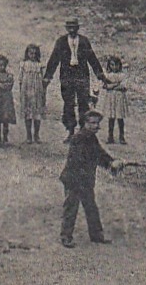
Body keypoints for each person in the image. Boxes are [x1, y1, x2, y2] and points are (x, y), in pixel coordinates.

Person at [60, 110, 123, 247]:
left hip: (85, 180)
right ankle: (66, 237)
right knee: (71, 208)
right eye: (92, 123)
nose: (95, 126)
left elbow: (100, 153)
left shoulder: (91, 137)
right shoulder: (79, 138)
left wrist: (111, 162)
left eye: (97, 123)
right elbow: (84, 159)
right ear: (85, 123)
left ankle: (96, 235)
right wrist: (110, 164)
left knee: (91, 207)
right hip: (74, 180)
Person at [44, 18, 108, 139]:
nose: (72, 29)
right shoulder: (61, 42)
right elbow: (54, 59)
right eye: (69, 27)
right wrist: (48, 77)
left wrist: (100, 75)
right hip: (67, 76)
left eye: (74, 27)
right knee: (68, 103)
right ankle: (70, 131)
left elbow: (92, 58)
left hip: (81, 75)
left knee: (83, 102)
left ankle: (83, 131)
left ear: (78, 28)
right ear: (66, 28)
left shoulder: (84, 41)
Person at [19, 44, 48, 144]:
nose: (33, 55)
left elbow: (44, 80)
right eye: (31, 53)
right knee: (28, 114)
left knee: (37, 114)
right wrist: (21, 93)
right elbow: (20, 79)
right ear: (27, 53)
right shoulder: (23, 64)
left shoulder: (40, 65)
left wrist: (44, 92)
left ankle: (36, 135)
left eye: (35, 53)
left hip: (37, 91)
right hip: (26, 91)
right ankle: (28, 135)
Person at [100, 55, 130, 144]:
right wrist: (115, 85)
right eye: (112, 65)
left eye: (116, 65)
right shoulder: (108, 75)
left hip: (119, 98)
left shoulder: (122, 75)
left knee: (120, 118)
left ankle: (122, 137)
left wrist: (112, 86)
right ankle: (110, 137)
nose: (114, 67)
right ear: (109, 65)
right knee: (111, 117)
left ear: (119, 65)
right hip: (110, 98)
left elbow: (124, 86)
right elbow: (105, 86)